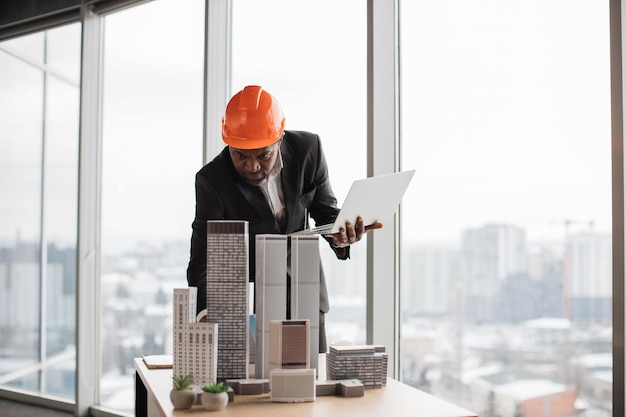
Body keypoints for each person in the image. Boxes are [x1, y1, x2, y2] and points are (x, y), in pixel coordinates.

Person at [186, 85, 381, 352]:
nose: (252, 166)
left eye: (263, 155)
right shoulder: (212, 180)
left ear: (280, 138)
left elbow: (326, 211)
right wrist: (206, 314)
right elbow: (203, 256)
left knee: (313, 384)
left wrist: (342, 234)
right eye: (240, 155)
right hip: (253, 305)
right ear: (228, 142)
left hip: (307, 292)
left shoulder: (308, 150)